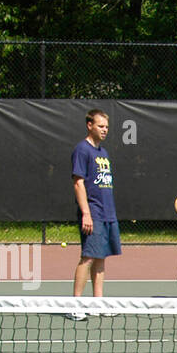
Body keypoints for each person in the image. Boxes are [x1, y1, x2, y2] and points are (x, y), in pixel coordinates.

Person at [68, 108, 120, 320]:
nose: (105, 130)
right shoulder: (82, 150)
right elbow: (78, 183)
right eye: (101, 126)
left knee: (101, 258)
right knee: (88, 257)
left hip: (108, 213)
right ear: (90, 125)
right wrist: (86, 214)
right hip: (93, 212)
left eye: (106, 126)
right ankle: (76, 305)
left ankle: (97, 303)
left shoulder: (103, 152)